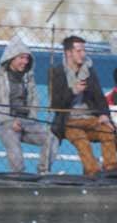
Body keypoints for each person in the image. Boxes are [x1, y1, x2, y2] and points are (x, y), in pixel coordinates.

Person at [0, 36, 57, 174]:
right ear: (11, 57)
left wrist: (31, 119)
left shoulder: (28, 76)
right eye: (22, 58)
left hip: (26, 121)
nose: (25, 62)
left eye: (27, 58)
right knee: (14, 146)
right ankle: (18, 177)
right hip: (3, 122)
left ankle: (43, 172)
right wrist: (9, 121)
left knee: (52, 138)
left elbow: (34, 101)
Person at [49, 36, 117, 176]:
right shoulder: (57, 72)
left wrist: (104, 115)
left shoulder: (89, 70)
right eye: (79, 51)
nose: (83, 54)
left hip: (91, 118)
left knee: (108, 132)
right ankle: (93, 173)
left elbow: (99, 97)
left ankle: (111, 170)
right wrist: (73, 91)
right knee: (81, 141)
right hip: (69, 121)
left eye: (84, 50)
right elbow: (55, 104)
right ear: (69, 53)